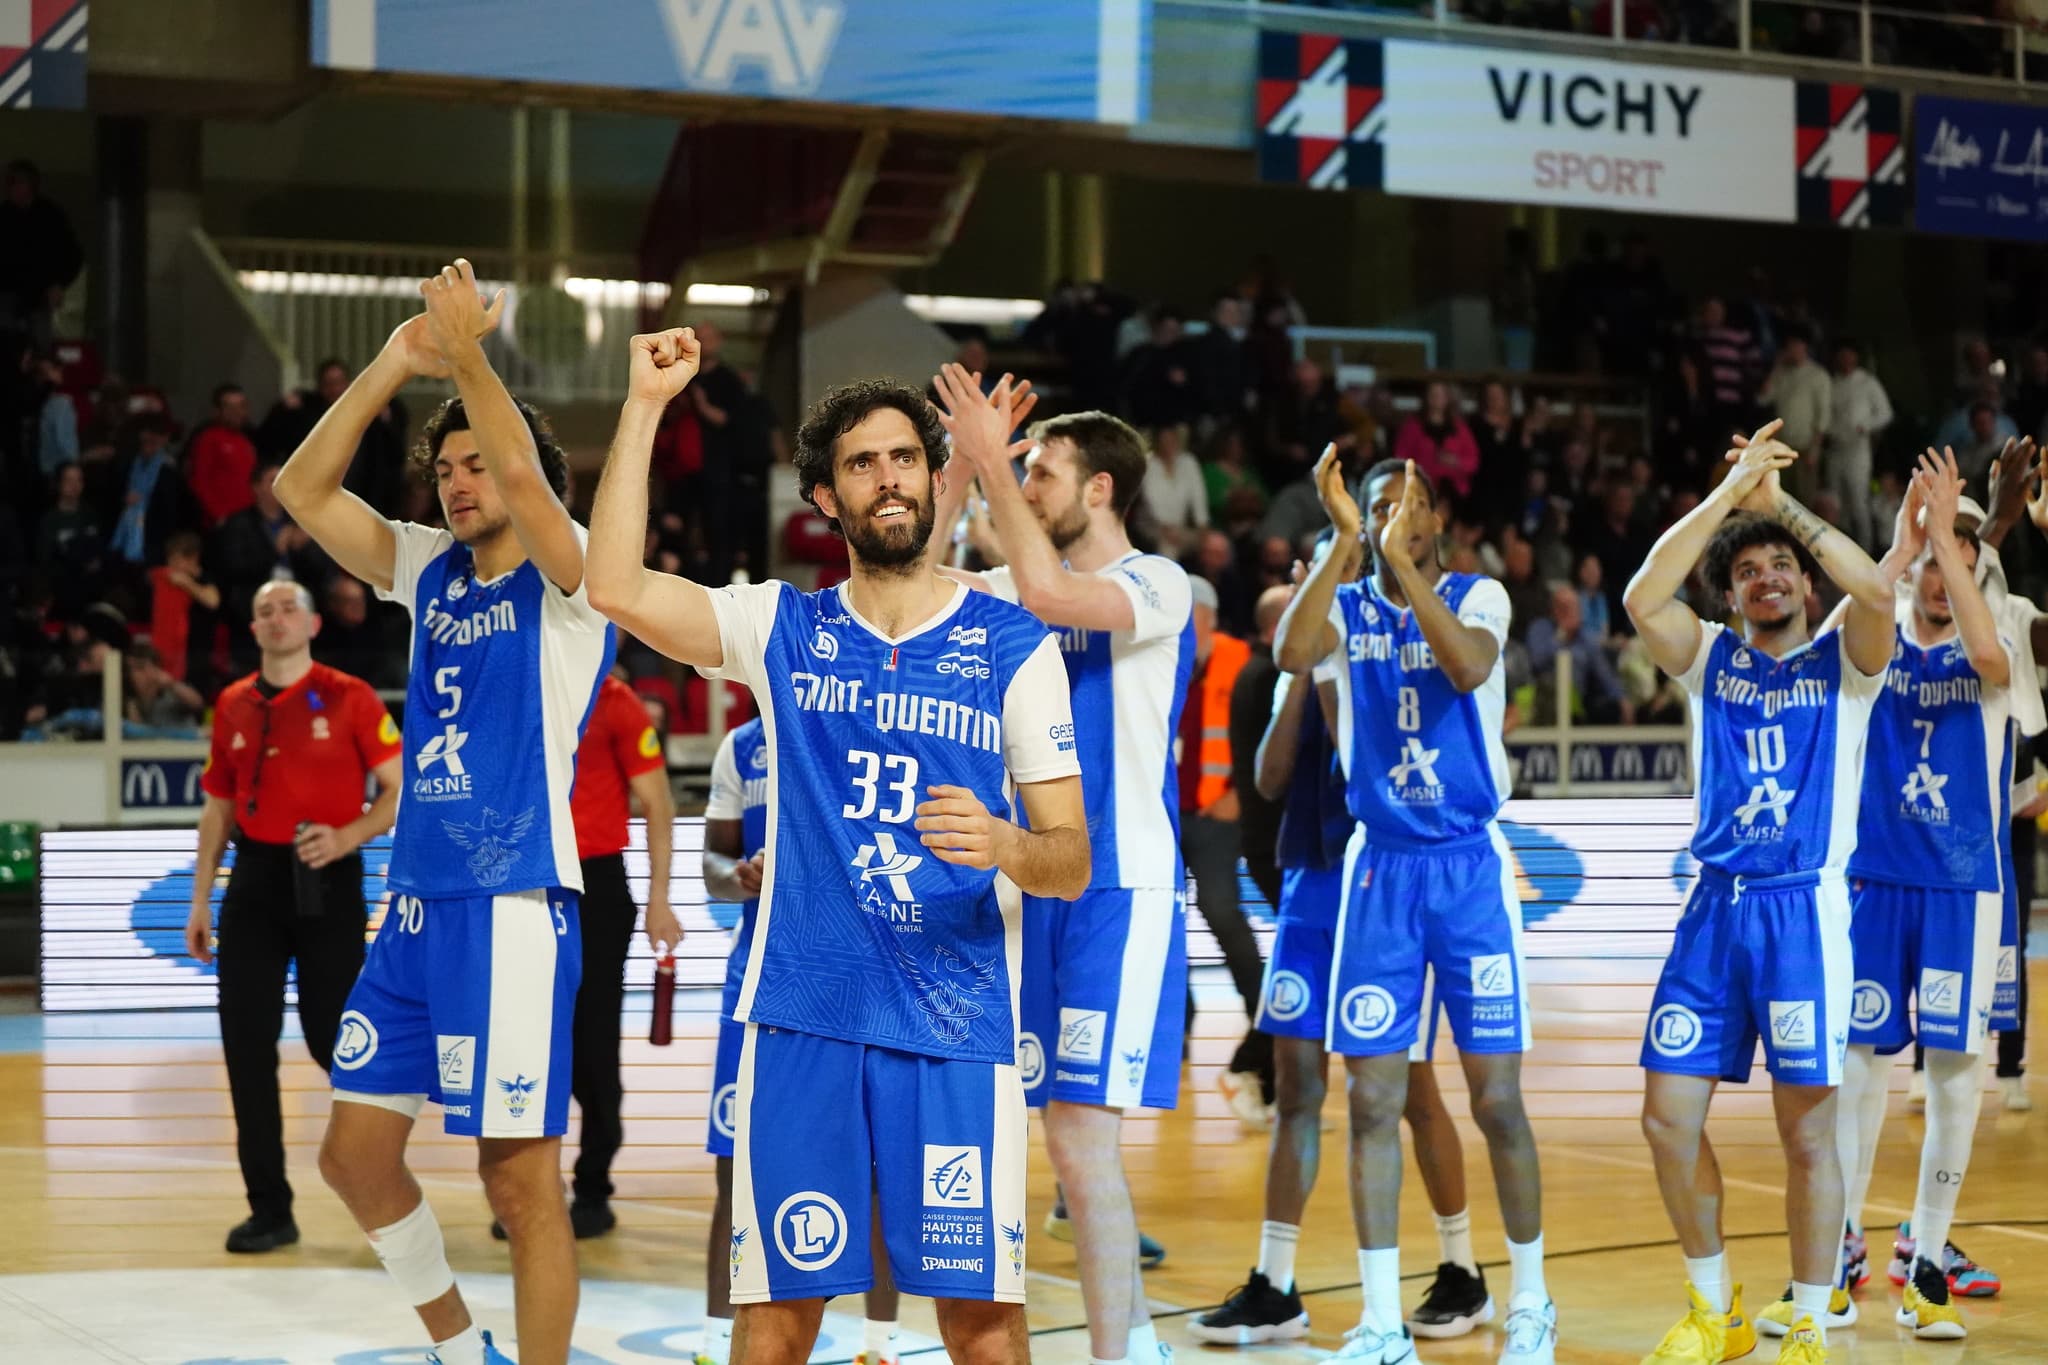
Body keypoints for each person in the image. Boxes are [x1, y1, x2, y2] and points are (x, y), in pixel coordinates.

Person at [586, 334, 1089, 1365]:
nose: (887, 476)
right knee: (774, 1317)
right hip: (803, 1020)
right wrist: (642, 406)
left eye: (904, 455)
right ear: (824, 497)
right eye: (861, 463)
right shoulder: (778, 626)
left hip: (956, 1025)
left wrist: (1000, 841)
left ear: (931, 475)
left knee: (984, 1324)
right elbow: (613, 587)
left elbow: (1070, 858)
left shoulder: (1010, 644)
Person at [274, 260, 616, 1365]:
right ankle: (460, 1346)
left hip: (512, 904)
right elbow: (303, 493)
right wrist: (398, 358)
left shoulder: (571, 585)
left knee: (518, 1180)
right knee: (353, 1157)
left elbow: (523, 469)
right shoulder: (427, 569)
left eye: (479, 465)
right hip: (417, 906)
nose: (460, 482)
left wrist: (468, 353)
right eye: (446, 469)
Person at [931, 368, 1194, 1365]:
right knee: (1038, 1144)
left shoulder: (1156, 583)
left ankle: (1122, 1356)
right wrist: (963, 462)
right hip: (1026, 886)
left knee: (1084, 1151)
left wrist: (994, 463)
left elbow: (1048, 590)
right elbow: (915, 572)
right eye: (1026, 470)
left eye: (1044, 471)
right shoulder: (1007, 588)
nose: (1029, 484)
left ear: (1099, 490)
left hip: (1119, 892)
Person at [1621, 419, 1893, 1365]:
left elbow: (1877, 586)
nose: (1766, 577)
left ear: (1805, 584)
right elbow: (1641, 592)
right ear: (1731, 594)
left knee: (1808, 1134)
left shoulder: (1845, 663)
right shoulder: (1710, 660)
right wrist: (1728, 499)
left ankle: (1810, 1324)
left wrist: (1784, 511)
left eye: (1780, 566)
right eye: (1748, 570)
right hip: (1713, 910)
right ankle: (1716, 1310)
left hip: (1803, 914)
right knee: (1666, 1116)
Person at [1274, 453, 1554, 1365]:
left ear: (1438, 520)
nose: (1395, 515)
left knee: (1498, 1100)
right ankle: (1384, 1320)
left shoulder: (1481, 597)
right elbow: (1290, 652)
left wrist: (1395, 565)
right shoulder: (1346, 609)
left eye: (1409, 505)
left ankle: (1532, 1303)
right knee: (1370, 1103)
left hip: (1469, 868)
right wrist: (1348, 547)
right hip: (1379, 871)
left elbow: (1469, 668)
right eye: (1378, 504)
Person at [1195, 543, 1487, 1350]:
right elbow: (1270, 775)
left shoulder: (1390, 651)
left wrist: (1330, 651)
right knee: (1295, 1085)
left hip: (1390, 886)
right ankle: (1277, 1284)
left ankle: (1462, 1264)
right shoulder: (1301, 660)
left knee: (1410, 1089)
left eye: (1332, 570)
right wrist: (1305, 662)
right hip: (1311, 887)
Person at [1813, 449, 2008, 1344]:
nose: (1941, 574)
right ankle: (1845, 1244)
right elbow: (1852, 618)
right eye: (1932, 561)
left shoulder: (1997, 630)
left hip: (1962, 891)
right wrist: (1901, 544)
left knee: (1955, 1081)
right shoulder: (1875, 636)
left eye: (1957, 559)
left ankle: (1925, 1261)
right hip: (1874, 883)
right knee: (1858, 1073)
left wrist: (1956, 540)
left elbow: (1984, 655)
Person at [183, 579, 402, 1253]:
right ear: (252, 630)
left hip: (328, 879)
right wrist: (199, 898)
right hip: (253, 880)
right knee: (246, 1045)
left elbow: (399, 791)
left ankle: (382, 1188)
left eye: (287, 608)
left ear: (311, 622)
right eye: (263, 611)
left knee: (335, 1042)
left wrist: (347, 836)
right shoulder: (232, 703)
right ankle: (270, 1208)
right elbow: (218, 804)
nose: (276, 619)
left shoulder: (351, 696)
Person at [697, 717, 905, 1365]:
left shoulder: (872, 719)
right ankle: (712, 1342)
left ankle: (879, 1346)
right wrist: (737, 875)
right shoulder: (741, 746)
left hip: (860, 983)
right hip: (759, 986)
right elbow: (711, 863)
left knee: (875, 1170)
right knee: (736, 1172)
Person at [485, 673, 681, 1241]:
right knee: (521, 1040)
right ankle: (524, 1186)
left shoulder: (617, 703)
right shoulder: (517, 691)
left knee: (593, 1040)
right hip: (523, 882)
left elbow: (658, 803)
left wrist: (660, 899)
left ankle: (593, 1186)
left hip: (595, 886)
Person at [1178, 574, 1268, 1130]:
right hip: (1168, 815)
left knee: (1221, 910)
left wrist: (1243, 792)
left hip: (1217, 813)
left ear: (1205, 616)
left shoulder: (1240, 662)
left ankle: (1263, 1015)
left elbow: (1261, 731)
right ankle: (1178, 1029)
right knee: (1164, 923)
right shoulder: (1167, 659)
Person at [1824, 340, 1892, 551]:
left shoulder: (1867, 382)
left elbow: (1885, 413)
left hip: (1858, 449)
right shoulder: (1832, 383)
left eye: (1849, 354)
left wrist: (1866, 426)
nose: (1845, 359)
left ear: (1855, 357)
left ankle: (1867, 551)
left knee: (1858, 501)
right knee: (1836, 502)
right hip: (1836, 448)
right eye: (1842, 354)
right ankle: (1839, 552)